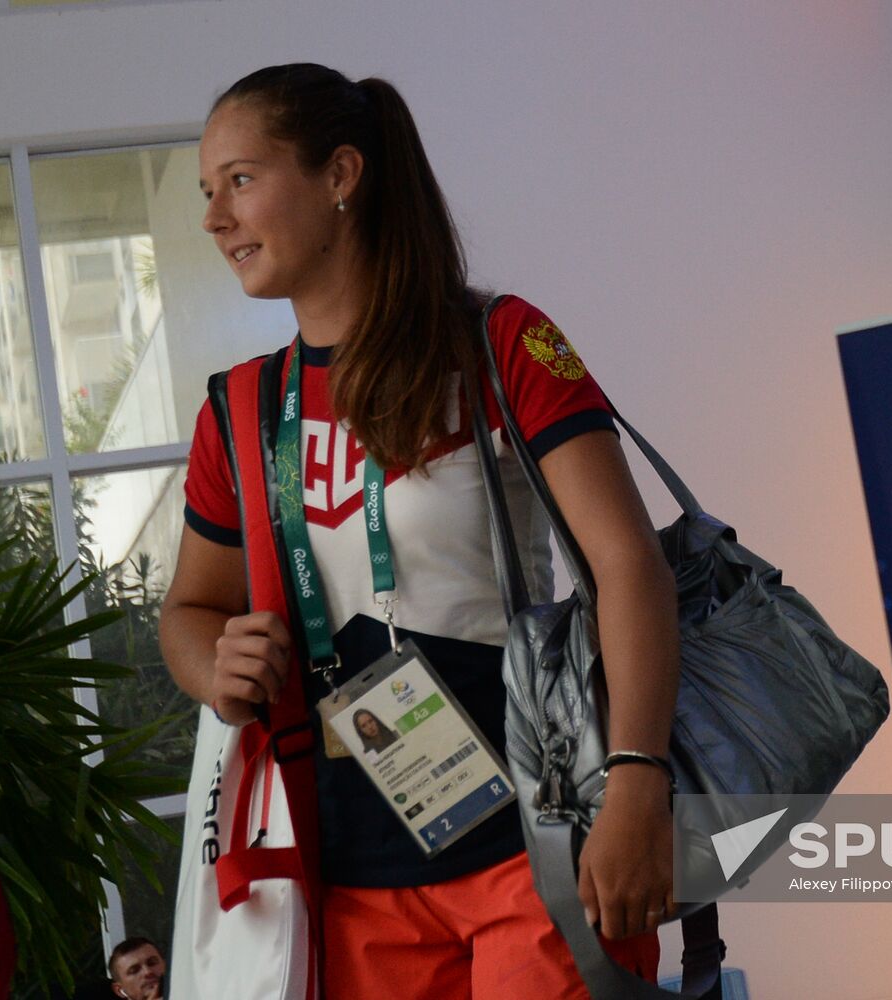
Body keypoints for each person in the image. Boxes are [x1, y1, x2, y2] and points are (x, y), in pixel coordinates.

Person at [159, 63, 681, 998]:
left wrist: (639, 781)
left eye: (239, 180)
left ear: (340, 175)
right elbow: (190, 610)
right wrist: (213, 666)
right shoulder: (237, 411)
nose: (214, 217)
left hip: (541, 840)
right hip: (352, 881)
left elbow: (627, 565)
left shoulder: (499, 342)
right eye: (208, 191)